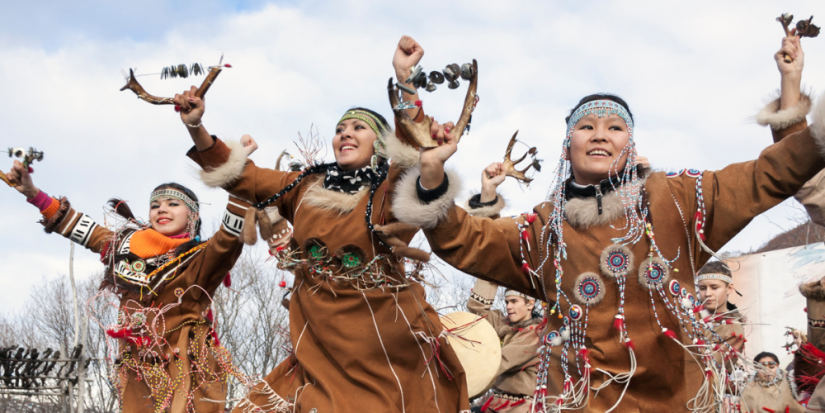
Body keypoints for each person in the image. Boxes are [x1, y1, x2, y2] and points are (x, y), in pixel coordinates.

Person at [390, 35, 819, 412]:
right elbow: (465, 240)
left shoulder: (681, 197)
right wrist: (430, 179)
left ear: (630, 144)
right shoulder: (543, 232)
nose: (600, 134)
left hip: (682, 401)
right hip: (583, 403)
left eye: (615, 127)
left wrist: (816, 134)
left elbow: (768, 175)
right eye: (586, 126)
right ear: (568, 144)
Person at [171, 35, 470, 413]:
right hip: (316, 342)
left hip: (380, 344)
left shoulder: (389, 191)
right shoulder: (305, 185)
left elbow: (413, 151)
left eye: (359, 128)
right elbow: (241, 177)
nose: (345, 133)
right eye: (341, 128)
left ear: (380, 145)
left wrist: (404, 77)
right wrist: (196, 127)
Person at [4, 158, 253, 411]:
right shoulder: (125, 246)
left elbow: (226, 242)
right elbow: (83, 228)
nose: (161, 209)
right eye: (155, 205)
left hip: (188, 368)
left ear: (193, 215)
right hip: (138, 370)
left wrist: (239, 184)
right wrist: (33, 193)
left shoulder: (200, 257)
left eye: (172, 204)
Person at [467, 279, 542, 413]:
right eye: (507, 302)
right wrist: (490, 276)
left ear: (530, 304)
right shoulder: (505, 326)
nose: (508, 306)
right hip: (494, 403)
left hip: (519, 407)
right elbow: (476, 310)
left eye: (514, 301)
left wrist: (463, 367)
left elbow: (500, 360)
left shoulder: (535, 333)